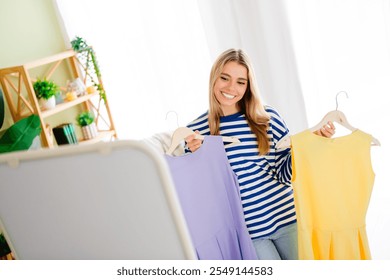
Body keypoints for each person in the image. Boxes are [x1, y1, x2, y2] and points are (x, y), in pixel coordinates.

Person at [184, 48, 335, 260]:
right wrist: (194, 158)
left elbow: (285, 173)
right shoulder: (196, 132)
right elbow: (201, 193)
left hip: (288, 220)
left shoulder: (267, 117)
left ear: (248, 86)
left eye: (240, 81)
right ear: (213, 78)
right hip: (251, 234)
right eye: (224, 78)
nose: (231, 88)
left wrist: (312, 144)